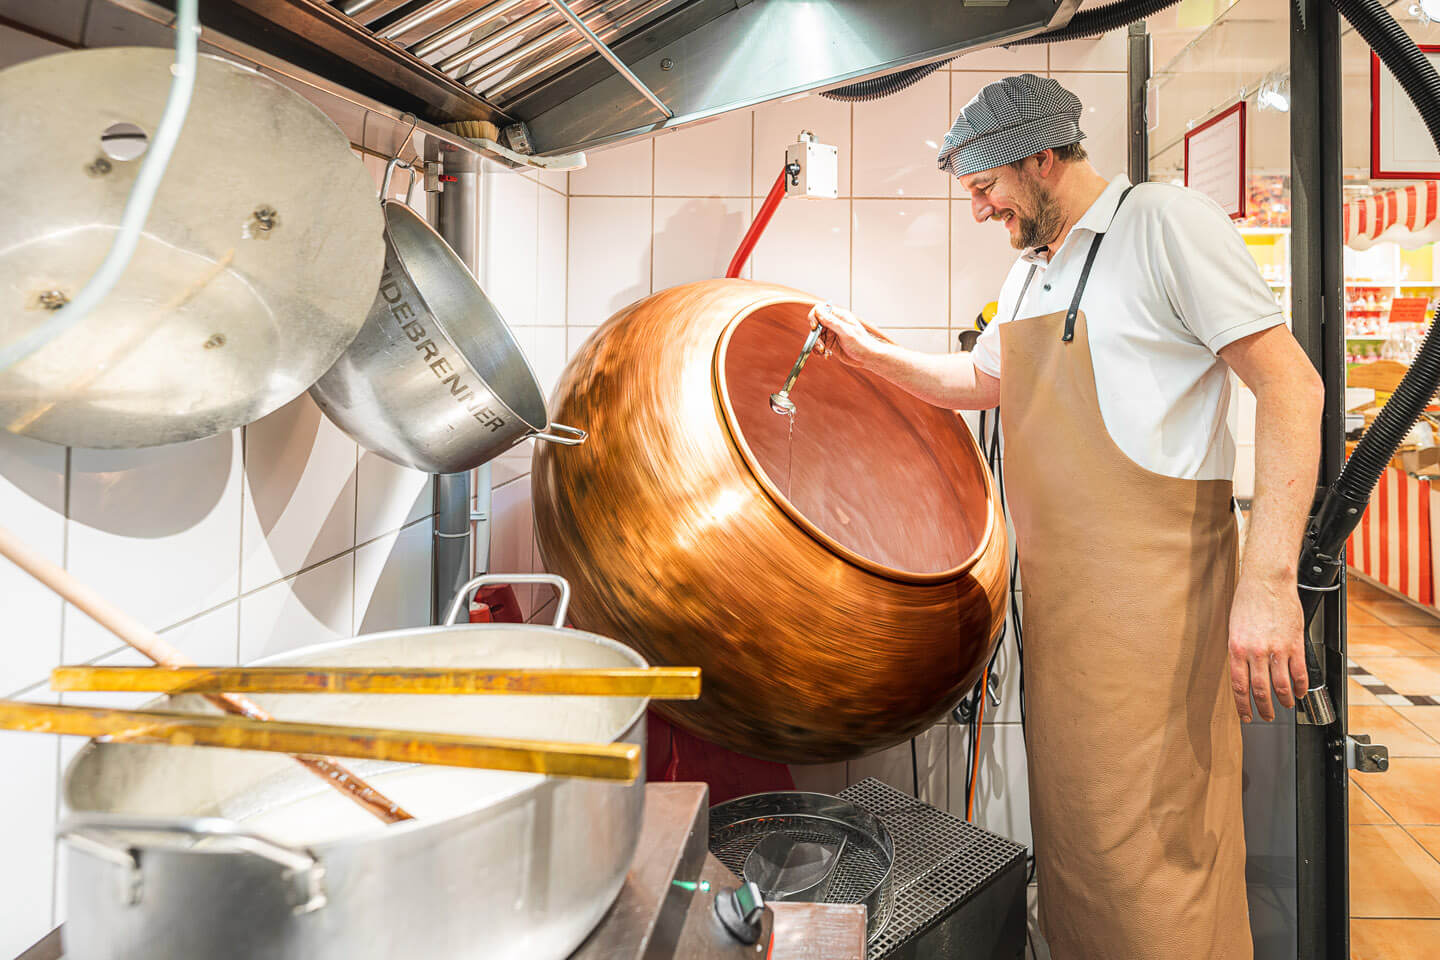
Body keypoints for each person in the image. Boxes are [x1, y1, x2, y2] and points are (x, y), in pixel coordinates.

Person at [809, 74, 1322, 959]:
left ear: (1042, 159)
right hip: (1065, 623)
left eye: (985, 190)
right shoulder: (1036, 268)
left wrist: (1269, 583)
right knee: (1082, 852)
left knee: (1158, 865)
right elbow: (982, 383)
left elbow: (1290, 385)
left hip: (1155, 620)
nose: (979, 211)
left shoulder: (1162, 223)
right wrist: (869, 354)